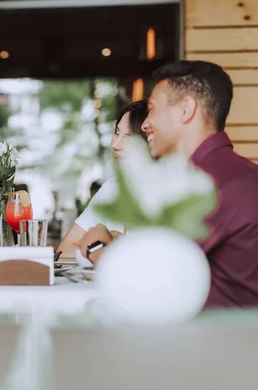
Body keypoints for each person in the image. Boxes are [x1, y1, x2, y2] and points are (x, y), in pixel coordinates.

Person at [81, 60, 258, 308]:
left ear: (186, 109)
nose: (144, 123)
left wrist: (96, 248)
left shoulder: (204, 183)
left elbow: (149, 284)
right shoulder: (235, 172)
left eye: (153, 109)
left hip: (218, 338)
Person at [56, 100, 148, 259]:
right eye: (117, 132)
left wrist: (100, 246)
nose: (114, 144)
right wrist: (106, 245)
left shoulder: (168, 191)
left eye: (128, 137)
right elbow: (63, 252)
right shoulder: (112, 186)